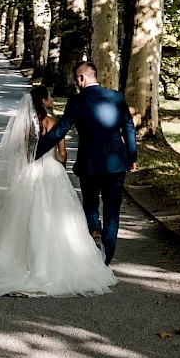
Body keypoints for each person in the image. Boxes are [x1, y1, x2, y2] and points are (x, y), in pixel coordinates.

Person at [0, 86, 117, 297]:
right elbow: (62, 153)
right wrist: (59, 166)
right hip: (52, 171)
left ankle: (15, 260)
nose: (53, 99)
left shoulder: (26, 125)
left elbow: (22, 153)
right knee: (60, 219)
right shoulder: (54, 122)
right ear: (44, 100)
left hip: (29, 172)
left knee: (20, 218)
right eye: (51, 96)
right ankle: (56, 266)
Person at [34, 61, 137, 264]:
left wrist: (36, 152)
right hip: (116, 164)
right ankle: (106, 257)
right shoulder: (116, 97)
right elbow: (129, 128)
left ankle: (94, 231)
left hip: (89, 163)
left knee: (90, 205)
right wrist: (132, 156)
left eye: (76, 80)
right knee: (112, 211)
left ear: (82, 78)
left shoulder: (76, 102)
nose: (76, 84)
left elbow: (60, 130)